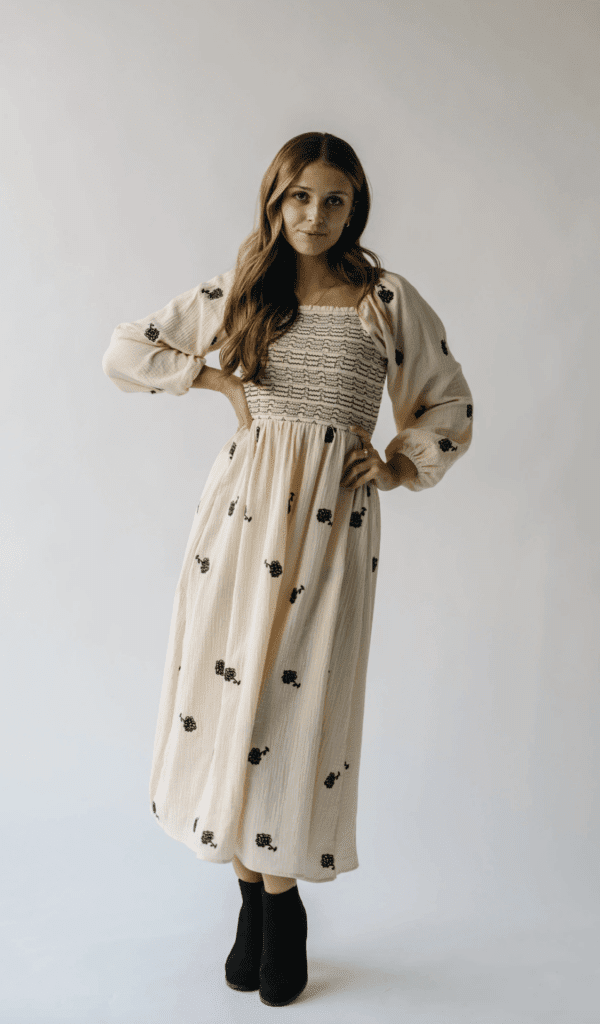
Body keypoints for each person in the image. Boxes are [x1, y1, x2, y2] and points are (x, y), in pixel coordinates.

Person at [102, 131, 474, 1006]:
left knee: (293, 705)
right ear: (274, 201)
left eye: (333, 199)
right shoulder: (242, 290)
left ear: (355, 207)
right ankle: (251, 901)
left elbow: (447, 399)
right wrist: (217, 383)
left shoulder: (383, 299)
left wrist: (397, 462)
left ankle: (283, 901)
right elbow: (125, 352)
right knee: (230, 701)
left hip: (330, 529)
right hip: (240, 523)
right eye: (299, 197)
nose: (315, 214)